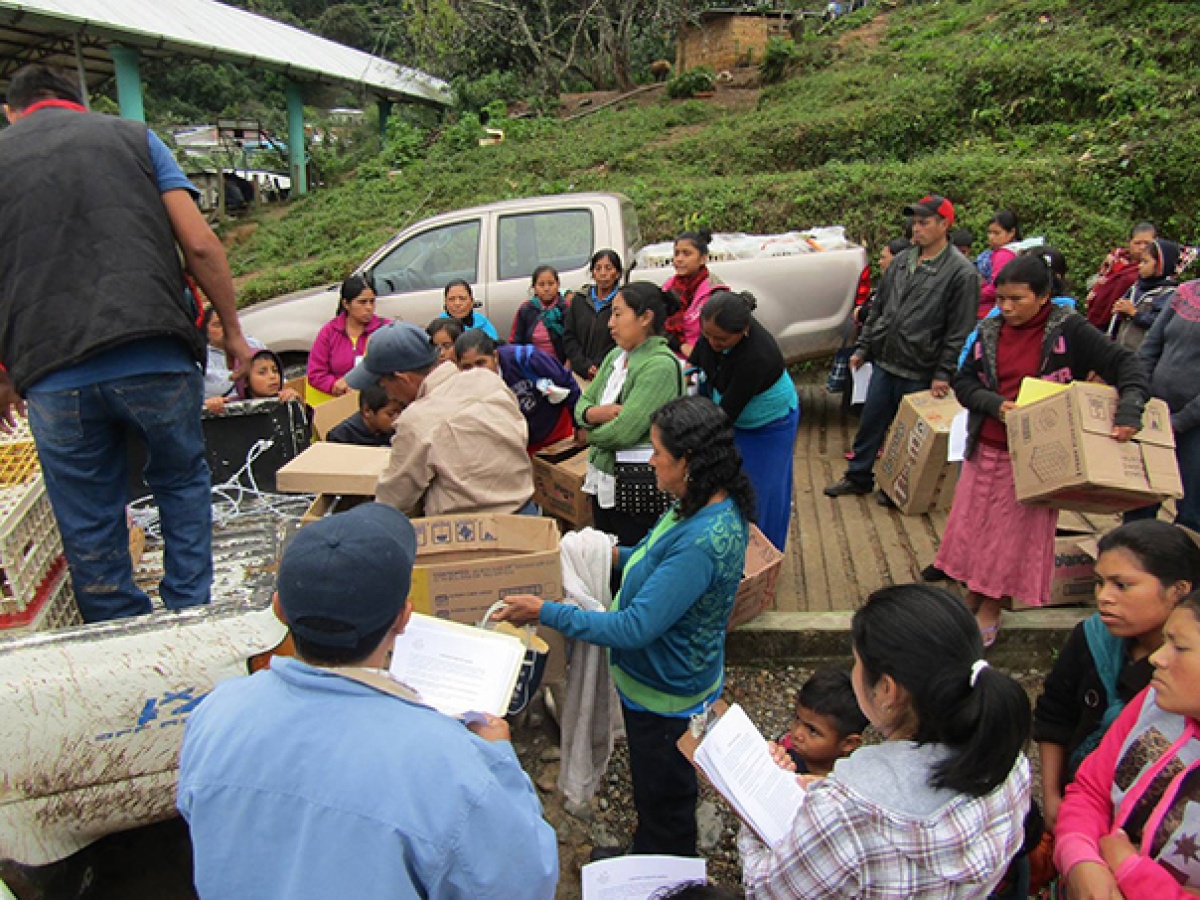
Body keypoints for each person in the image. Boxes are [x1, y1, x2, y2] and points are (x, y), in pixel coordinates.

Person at [177, 503, 558, 900]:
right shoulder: (448, 762)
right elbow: (525, 883)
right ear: (403, 618)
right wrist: (498, 757)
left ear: (279, 609)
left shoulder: (216, 713)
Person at [0, 65, 254, 623]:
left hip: (52, 371)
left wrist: (3, 375)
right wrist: (233, 332)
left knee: (88, 513)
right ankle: (190, 611)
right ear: (78, 103)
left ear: (11, 112)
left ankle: (121, 630)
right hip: (155, 352)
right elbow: (201, 246)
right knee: (181, 478)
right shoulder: (134, 138)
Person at [497, 396, 753, 857]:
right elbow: (658, 558)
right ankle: (649, 850)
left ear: (689, 461)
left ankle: (666, 871)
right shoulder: (700, 502)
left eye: (658, 452)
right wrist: (613, 555)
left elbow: (633, 628)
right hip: (670, 678)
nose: (650, 461)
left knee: (664, 796)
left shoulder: (702, 539)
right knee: (656, 787)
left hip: (667, 694)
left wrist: (544, 610)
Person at [740, 584, 1032, 898]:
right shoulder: (1008, 757)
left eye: (856, 661)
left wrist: (750, 814)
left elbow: (766, 891)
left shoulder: (846, 815)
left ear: (887, 691)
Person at [936, 254, 1149, 644]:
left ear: (1045, 296)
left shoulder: (1071, 331)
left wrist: (1131, 408)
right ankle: (973, 591)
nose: (1006, 308)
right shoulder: (989, 329)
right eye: (1001, 298)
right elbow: (964, 382)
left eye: (1017, 299)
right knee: (973, 525)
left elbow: (1128, 366)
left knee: (1011, 534)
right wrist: (994, 405)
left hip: (1037, 456)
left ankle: (992, 604)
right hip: (987, 444)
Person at [1034, 520, 1200, 832]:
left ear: (1178, 591)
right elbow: (1055, 716)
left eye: (1121, 585)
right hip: (1081, 805)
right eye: (1100, 583)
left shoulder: (1184, 673)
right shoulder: (1092, 637)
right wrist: (1053, 797)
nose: (1104, 597)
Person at [825, 194, 979, 499]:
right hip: (886, 359)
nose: (916, 229)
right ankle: (858, 477)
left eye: (924, 222)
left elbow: (959, 330)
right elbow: (879, 309)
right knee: (870, 423)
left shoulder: (961, 273)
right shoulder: (902, 262)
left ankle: (898, 488)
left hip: (921, 366)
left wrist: (943, 372)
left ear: (945, 224)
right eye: (914, 222)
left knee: (910, 435)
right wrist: (862, 349)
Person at [1053, 590, 1200, 898]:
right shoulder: (1154, 703)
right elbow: (1091, 790)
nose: (1157, 657)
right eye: (1164, 640)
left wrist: (1129, 870)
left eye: (1180, 647)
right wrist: (1080, 859)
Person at [347, 322, 533, 517]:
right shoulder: (488, 379)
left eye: (385, 386)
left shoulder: (418, 420)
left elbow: (396, 497)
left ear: (403, 378)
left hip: (470, 532)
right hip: (527, 514)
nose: (390, 395)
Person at [576, 282, 686, 546]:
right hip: (607, 481)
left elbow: (622, 432)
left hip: (638, 488)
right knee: (608, 553)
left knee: (631, 556)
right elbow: (582, 403)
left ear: (645, 318)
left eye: (617, 314)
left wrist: (586, 430)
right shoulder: (616, 356)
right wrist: (594, 414)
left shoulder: (659, 365)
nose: (610, 324)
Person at [691, 290, 799, 550]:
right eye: (708, 336)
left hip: (770, 426)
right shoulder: (714, 332)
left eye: (722, 339)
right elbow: (697, 362)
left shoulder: (757, 356)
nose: (713, 343)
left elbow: (726, 414)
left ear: (745, 331)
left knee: (762, 492)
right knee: (726, 487)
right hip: (728, 412)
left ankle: (764, 557)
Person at [1129, 278, 1200, 532]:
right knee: (1141, 497)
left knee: (1192, 508)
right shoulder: (1185, 293)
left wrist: (1180, 422)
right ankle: (1136, 560)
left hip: (1194, 426)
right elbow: (1151, 345)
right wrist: (1139, 392)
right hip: (1156, 413)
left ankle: (1183, 565)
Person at [455, 330, 580, 453]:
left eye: (480, 363)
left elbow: (567, 382)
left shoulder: (527, 358)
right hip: (521, 445)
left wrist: (580, 426)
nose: (476, 371)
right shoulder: (464, 386)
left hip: (557, 431)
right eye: (467, 367)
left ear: (495, 356)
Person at [306, 275, 389, 400]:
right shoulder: (329, 332)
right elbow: (316, 373)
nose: (369, 308)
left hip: (379, 400)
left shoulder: (385, 329)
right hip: (340, 401)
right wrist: (334, 385)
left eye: (372, 301)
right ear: (346, 303)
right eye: (362, 302)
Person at [775, 668, 867, 776]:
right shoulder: (785, 751)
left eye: (813, 731)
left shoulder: (852, 784)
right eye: (797, 719)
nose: (796, 733)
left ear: (848, 743)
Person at [1106, 237, 1181, 351]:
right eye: (1140, 261)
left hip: (1141, 357)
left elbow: (1160, 324)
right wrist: (1120, 309)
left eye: (1146, 262)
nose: (1140, 266)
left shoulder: (1168, 294)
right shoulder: (1136, 287)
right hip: (1121, 351)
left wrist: (1134, 313)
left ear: (1161, 266)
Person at [1084, 220, 1157, 329]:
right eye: (1137, 243)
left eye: (1147, 243)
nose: (1142, 247)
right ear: (1129, 242)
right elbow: (1100, 282)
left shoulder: (1154, 270)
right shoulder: (1115, 259)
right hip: (1096, 316)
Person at [662, 229, 723, 357]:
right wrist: (680, 346)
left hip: (704, 359)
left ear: (703, 258)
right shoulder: (669, 288)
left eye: (686, 254)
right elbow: (657, 325)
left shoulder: (714, 291)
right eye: (676, 253)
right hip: (670, 356)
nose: (679, 259)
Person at [563, 249, 623, 379]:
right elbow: (569, 336)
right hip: (579, 372)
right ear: (592, 273)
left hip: (610, 373)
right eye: (598, 268)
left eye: (608, 268)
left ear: (617, 273)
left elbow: (621, 340)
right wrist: (584, 365)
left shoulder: (623, 303)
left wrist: (599, 365)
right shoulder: (579, 300)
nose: (603, 273)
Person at [510, 265, 568, 362]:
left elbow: (574, 342)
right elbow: (516, 342)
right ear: (534, 287)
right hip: (532, 365)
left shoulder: (566, 308)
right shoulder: (526, 309)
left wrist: (566, 367)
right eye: (541, 284)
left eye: (551, 284)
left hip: (561, 366)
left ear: (558, 285)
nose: (546, 288)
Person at [326, 383, 404, 447]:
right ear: (367, 411)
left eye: (401, 412)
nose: (398, 418)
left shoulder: (397, 430)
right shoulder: (341, 436)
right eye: (391, 414)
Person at [978, 210, 1022, 318]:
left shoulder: (1004, 255)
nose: (991, 237)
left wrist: (973, 294)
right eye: (990, 232)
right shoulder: (1016, 251)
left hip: (988, 311)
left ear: (1011, 233)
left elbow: (996, 287)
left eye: (997, 233)